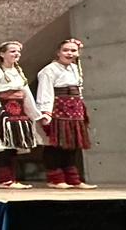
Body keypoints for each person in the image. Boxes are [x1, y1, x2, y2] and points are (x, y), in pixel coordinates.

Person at [0, 40, 46, 189]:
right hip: (4, 109)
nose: (17, 54)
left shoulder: (19, 72)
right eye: (12, 51)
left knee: (14, 145)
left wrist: (35, 114)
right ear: (2, 54)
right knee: (4, 144)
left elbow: (26, 94)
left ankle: (12, 179)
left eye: (18, 51)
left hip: (19, 110)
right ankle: (5, 180)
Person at [36, 38, 95, 188]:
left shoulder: (75, 68)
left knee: (72, 144)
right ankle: (55, 178)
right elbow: (45, 92)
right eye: (66, 50)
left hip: (74, 111)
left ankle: (73, 178)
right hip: (58, 109)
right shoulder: (49, 70)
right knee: (55, 144)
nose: (70, 53)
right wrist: (46, 112)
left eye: (73, 50)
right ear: (58, 52)